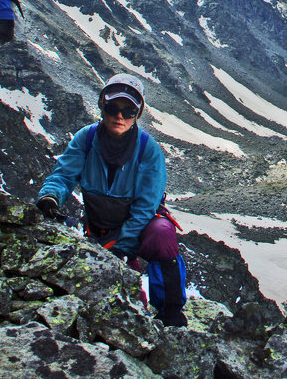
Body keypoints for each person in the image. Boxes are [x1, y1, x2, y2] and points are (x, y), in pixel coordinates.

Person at [36, 74, 188, 327]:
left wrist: (123, 247)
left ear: (137, 114)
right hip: (100, 230)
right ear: (102, 107)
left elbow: (145, 206)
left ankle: (170, 312)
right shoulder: (86, 139)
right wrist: (50, 197)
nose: (120, 116)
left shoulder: (148, 149)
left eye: (128, 111)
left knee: (162, 233)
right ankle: (136, 311)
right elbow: (63, 175)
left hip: (135, 229)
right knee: (123, 300)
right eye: (112, 108)